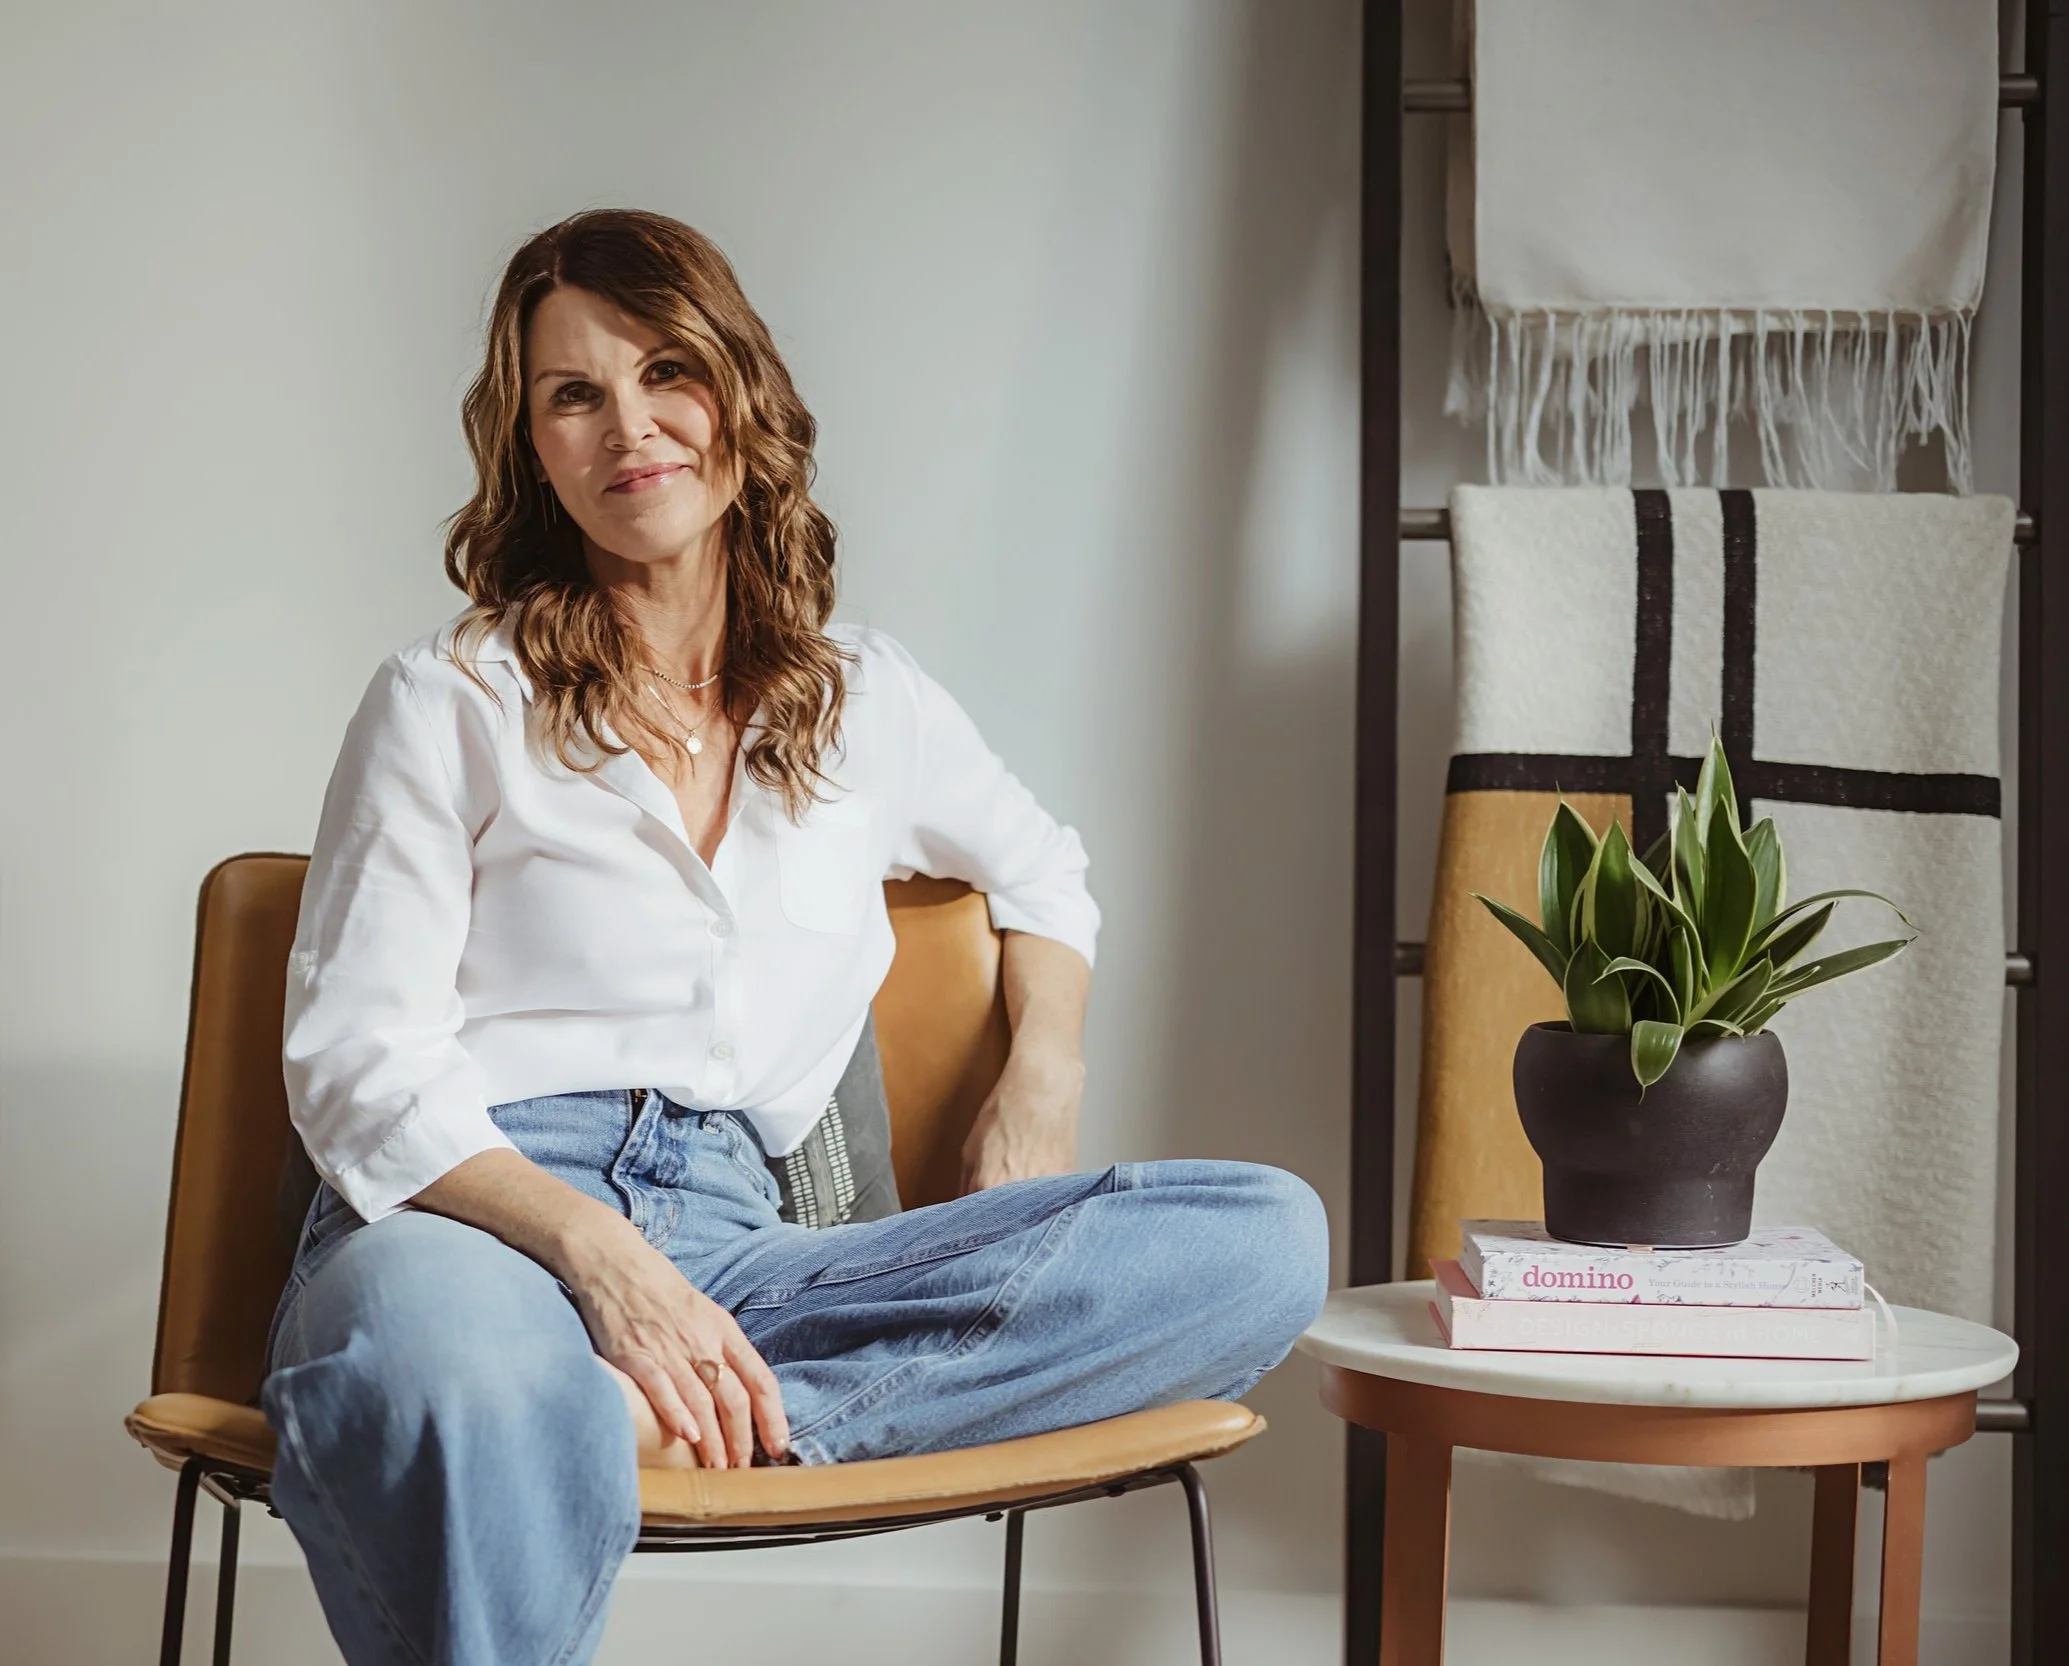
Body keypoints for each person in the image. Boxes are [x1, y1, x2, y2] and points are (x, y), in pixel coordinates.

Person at [260, 206, 1330, 1666]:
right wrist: (597, 1257)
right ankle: (542, 1406)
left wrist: (1043, 1073)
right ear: (532, 449)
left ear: (737, 388)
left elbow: (1045, 874)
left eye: (665, 370)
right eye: (573, 395)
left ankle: (627, 1419)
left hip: (745, 1254)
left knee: (1266, 1239)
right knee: (445, 1367)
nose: (629, 425)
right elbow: (356, 1062)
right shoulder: (450, 701)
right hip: (475, 1224)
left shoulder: (865, 699)